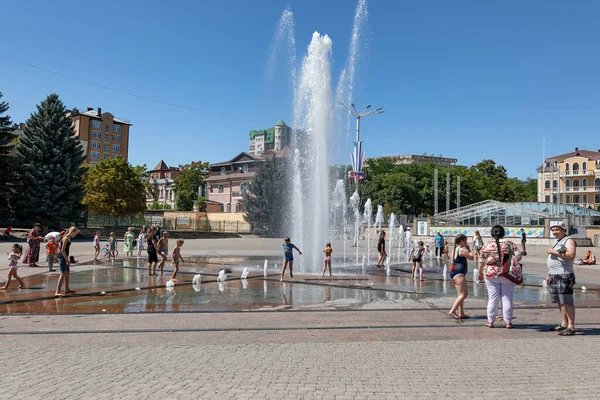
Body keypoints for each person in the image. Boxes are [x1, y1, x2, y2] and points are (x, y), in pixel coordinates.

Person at [480, 225, 522, 329]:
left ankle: (490, 321)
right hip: (507, 273)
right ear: (503, 233)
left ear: (492, 234)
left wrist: (480, 273)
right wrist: (512, 260)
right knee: (507, 298)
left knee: (492, 298)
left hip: (490, 274)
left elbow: (481, 260)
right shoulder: (510, 244)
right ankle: (508, 322)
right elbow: (518, 256)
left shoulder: (487, 245)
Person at [546, 221, 577, 336]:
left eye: (557, 229)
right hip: (555, 275)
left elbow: (570, 255)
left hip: (564, 275)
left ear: (564, 230)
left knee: (567, 301)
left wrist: (553, 251)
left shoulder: (569, 240)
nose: (554, 232)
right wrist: (549, 273)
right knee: (559, 302)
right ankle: (564, 323)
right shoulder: (558, 242)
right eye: (553, 230)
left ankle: (571, 326)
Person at [448, 234, 474, 319]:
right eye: (466, 240)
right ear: (462, 241)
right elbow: (472, 257)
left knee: (460, 294)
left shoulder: (454, 249)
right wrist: (469, 250)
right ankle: (453, 310)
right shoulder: (462, 249)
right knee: (464, 294)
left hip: (454, 272)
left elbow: (452, 262)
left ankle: (461, 313)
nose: (467, 242)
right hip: (459, 273)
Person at [55, 227, 79, 297]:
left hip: (64, 257)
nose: (75, 235)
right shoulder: (65, 238)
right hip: (63, 258)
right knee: (63, 274)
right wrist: (67, 260)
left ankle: (66, 288)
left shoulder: (68, 238)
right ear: (72, 232)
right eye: (75, 233)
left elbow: (61, 247)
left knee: (67, 272)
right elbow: (62, 250)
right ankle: (57, 291)